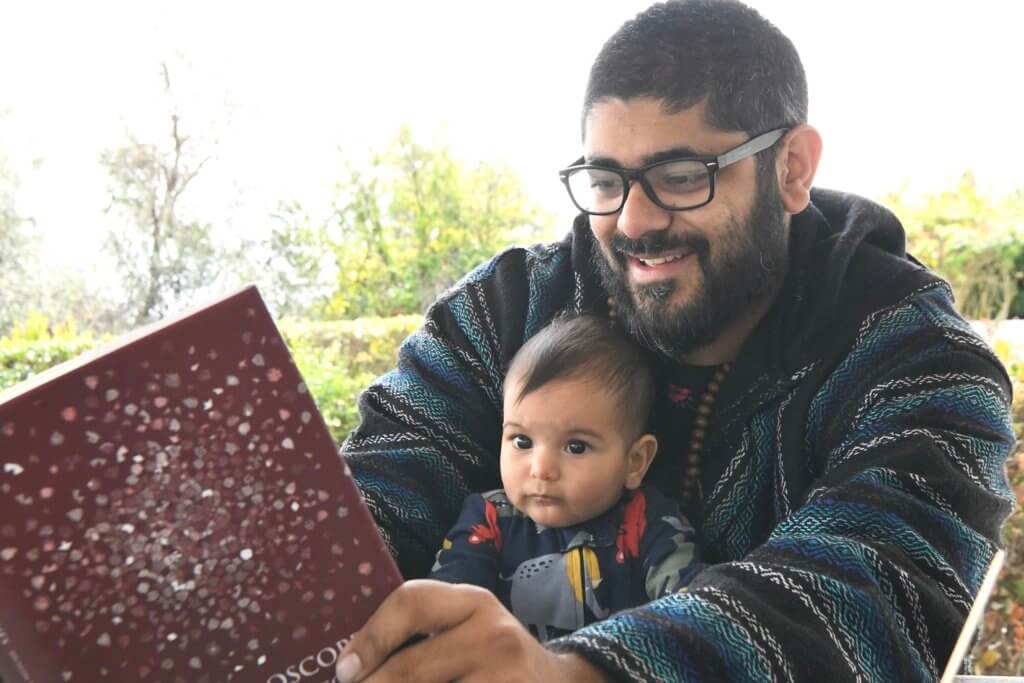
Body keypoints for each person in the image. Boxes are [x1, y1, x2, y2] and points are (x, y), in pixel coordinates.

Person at [334, 1, 1017, 681]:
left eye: (683, 176)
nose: (634, 221)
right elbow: (371, 499)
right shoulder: (505, 312)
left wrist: (577, 673)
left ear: (793, 167)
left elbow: (882, 593)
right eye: (605, 180)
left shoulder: (919, 360)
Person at [428, 314, 701, 642]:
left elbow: (696, 610)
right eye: (522, 441)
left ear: (634, 461)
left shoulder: (648, 522)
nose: (541, 469)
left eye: (576, 446)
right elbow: (447, 604)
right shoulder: (488, 519)